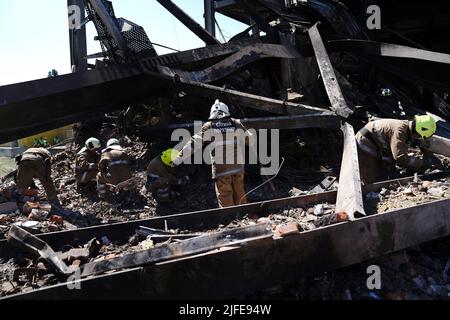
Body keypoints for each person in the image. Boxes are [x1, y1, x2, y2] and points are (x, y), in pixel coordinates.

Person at [173, 99, 254, 208]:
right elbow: (250, 140)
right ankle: (243, 215)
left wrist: (179, 158)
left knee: (225, 195)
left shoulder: (209, 126)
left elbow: (194, 144)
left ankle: (231, 220)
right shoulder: (235, 123)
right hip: (238, 167)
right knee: (239, 192)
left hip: (221, 169)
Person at [356, 115, 437, 184]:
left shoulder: (405, 126)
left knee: (388, 168)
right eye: (420, 136)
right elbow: (399, 157)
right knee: (373, 180)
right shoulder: (400, 131)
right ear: (418, 131)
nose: (418, 138)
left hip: (374, 143)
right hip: (365, 143)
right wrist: (421, 164)